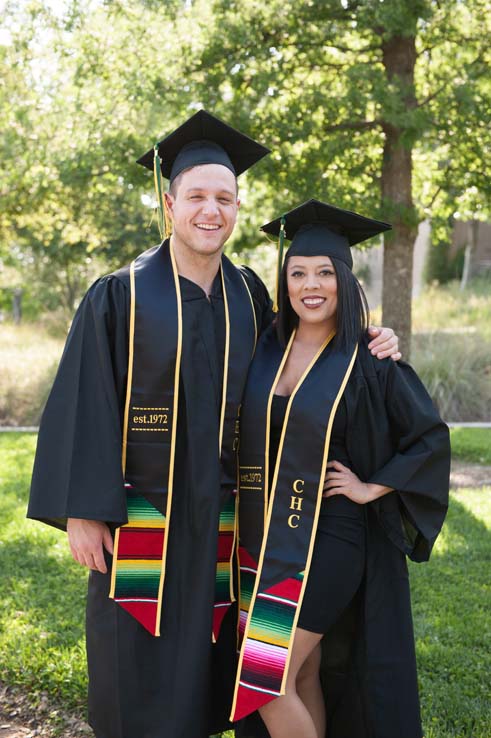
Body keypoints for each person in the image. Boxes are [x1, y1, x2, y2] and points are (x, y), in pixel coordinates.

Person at [27, 111, 400, 738]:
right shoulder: (120, 294)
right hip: (141, 523)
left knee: (216, 671)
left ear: (236, 206)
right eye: (196, 196)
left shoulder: (250, 295)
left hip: (232, 527)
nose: (211, 210)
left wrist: (372, 337)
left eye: (224, 198)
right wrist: (83, 512)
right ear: (169, 203)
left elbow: (310, 344)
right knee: (137, 668)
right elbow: (83, 404)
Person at [231, 199, 450, 738]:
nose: (312, 284)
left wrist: (372, 486)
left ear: (345, 281)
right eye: (298, 272)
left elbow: (428, 437)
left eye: (326, 272)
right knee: (302, 671)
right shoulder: (267, 349)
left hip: (331, 538)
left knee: (262, 676)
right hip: (268, 537)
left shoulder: (368, 357)